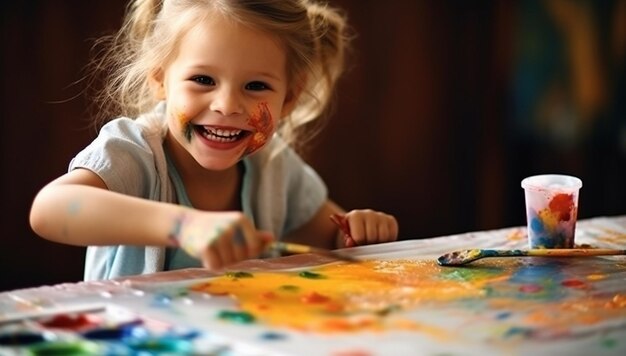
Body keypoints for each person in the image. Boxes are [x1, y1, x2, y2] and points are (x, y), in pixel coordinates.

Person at [29, 0, 399, 281]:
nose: (226, 106)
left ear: (288, 97)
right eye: (203, 80)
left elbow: (328, 239)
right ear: (160, 79)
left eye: (256, 86)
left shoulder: (273, 167)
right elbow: (50, 210)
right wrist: (185, 226)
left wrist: (357, 234)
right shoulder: (136, 151)